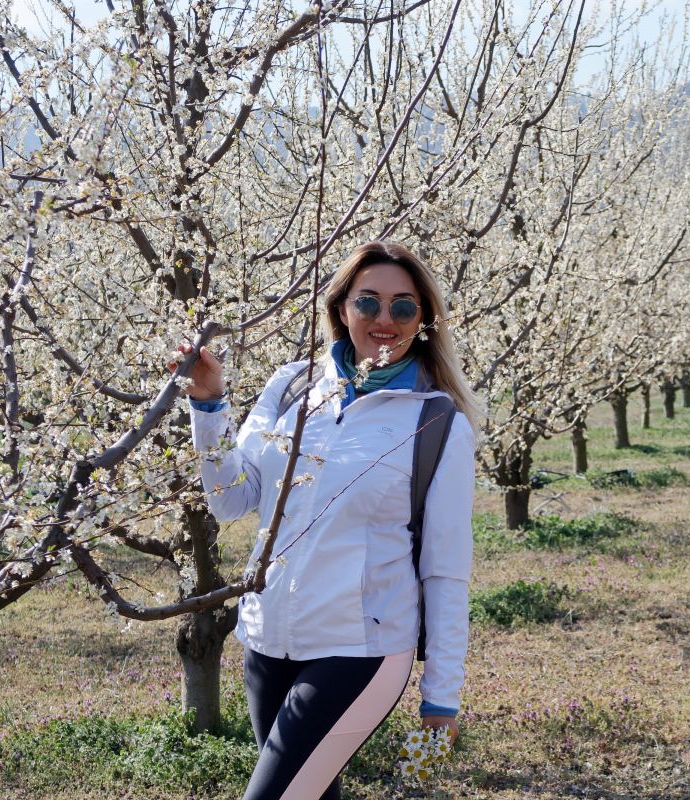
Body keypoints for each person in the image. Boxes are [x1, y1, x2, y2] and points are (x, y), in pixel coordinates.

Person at [172, 241, 478, 800]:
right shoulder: (292, 387)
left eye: (404, 307)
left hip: (361, 650)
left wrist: (441, 698)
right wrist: (209, 406)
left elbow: (445, 570)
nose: (385, 320)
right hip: (268, 639)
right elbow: (233, 500)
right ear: (341, 308)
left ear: (424, 321)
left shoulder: (437, 423)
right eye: (369, 303)